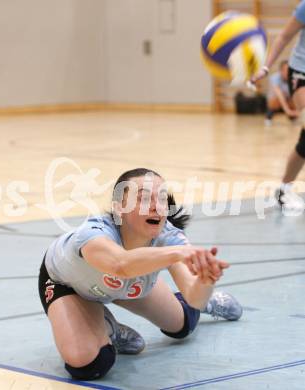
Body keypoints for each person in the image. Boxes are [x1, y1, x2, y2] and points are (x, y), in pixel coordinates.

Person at [38, 168, 242, 381]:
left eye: (162, 198)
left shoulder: (169, 238)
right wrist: (178, 253)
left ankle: (212, 303)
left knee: (182, 326)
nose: (156, 206)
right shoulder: (93, 234)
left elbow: (194, 297)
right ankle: (109, 328)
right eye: (144, 198)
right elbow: (120, 265)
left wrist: (204, 282)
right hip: (69, 285)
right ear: (119, 209)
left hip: (123, 282)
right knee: (88, 364)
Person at [251, 0, 305, 211]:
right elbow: (283, 36)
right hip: (301, 72)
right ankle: (285, 188)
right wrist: (265, 68)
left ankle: (284, 188)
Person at [265, 60, 299, 125]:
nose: (287, 72)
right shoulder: (274, 78)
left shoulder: (294, 79)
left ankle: (293, 118)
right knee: (276, 100)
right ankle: (268, 117)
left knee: (295, 100)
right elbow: (279, 95)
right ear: (280, 71)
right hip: (276, 100)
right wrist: (287, 111)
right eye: (285, 70)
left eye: (289, 70)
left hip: (288, 99)